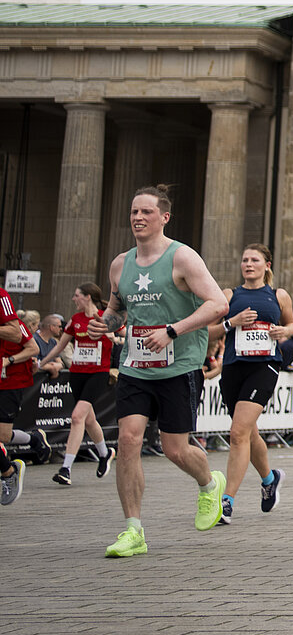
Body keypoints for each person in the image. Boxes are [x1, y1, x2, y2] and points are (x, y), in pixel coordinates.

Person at [94, 184, 229, 556]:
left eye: (146, 212)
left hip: (179, 366)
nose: (138, 217)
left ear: (164, 217)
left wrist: (173, 331)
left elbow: (217, 304)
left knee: (174, 449)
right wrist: (104, 323)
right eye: (134, 212)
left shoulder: (182, 258)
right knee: (128, 440)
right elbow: (118, 308)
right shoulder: (120, 264)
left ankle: (209, 483)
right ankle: (133, 530)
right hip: (136, 366)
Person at [205, 242, 293, 523]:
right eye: (245, 260)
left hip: (264, 367)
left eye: (254, 260)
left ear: (266, 265)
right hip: (233, 368)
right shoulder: (228, 295)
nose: (248, 264)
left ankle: (227, 501)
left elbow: (292, 324)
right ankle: (270, 479)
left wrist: (284, 331)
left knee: (237, 433)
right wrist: (232, 323)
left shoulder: (278, 295)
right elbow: (207, 332)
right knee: (248, 433)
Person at [38, 282, 115, 485]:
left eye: (76, 295)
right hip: (77, 373)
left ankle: (66, 468)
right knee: (88, 420)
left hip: (98, 373)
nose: (73, 299)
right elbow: (60, 346)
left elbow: (121, 335)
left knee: (76, 417)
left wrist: (110, 333)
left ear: (87, 296)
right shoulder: (75, 320)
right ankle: (105, 454)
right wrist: (40, 363)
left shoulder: (104, 316)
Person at [0, 286, 32, 505]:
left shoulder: (2, 297)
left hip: (11, 382)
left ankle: (8, 470)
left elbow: (31, 346)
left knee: (3, 436)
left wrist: (10, 360)